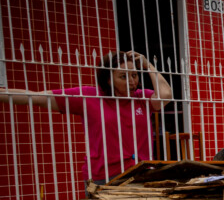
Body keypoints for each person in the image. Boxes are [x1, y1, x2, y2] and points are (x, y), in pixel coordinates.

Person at [0, 50, 172, 186]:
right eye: (123, 76)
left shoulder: (142, 98)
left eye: (134, 75)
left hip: (140, 174)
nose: (132, 81)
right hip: (105, 177)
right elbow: (38, 97)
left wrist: (148, 65)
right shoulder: (89, 96)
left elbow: (165, 95)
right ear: (108, 79)